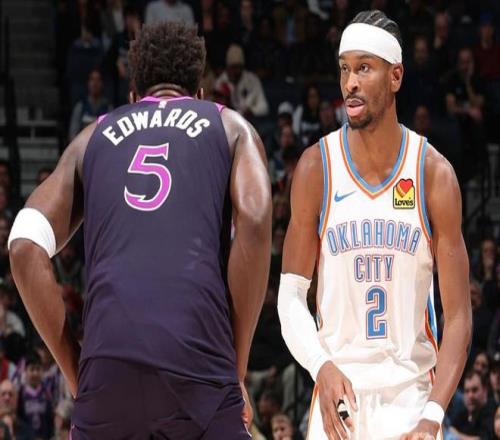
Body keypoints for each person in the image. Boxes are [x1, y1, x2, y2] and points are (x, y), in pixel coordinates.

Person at [8, 21, 271, 439]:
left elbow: (23, 245)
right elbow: (255, 220)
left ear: (133, 97)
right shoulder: (229, 126)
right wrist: (235, 370)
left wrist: (77, 373)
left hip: (107, 368)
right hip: (199, 362)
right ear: (200, 93)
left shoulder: (92, 137)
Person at [278, 10, 471, 440]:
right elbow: (289, 298)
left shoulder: (432, 174)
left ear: (395, 76)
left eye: (364, 68)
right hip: (337, 395)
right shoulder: (315, 168)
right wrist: (320, 365)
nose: (350, 82)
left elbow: (458, 315)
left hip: (411, 398)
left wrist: (433, 415)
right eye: (344, 69)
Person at [449, 370, 496, 439]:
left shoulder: (494, 413)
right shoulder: (462, 415)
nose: (470, 396)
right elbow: (450, 429)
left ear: (485, 389)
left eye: (474, 390)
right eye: (467, 391)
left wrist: (457, 435)